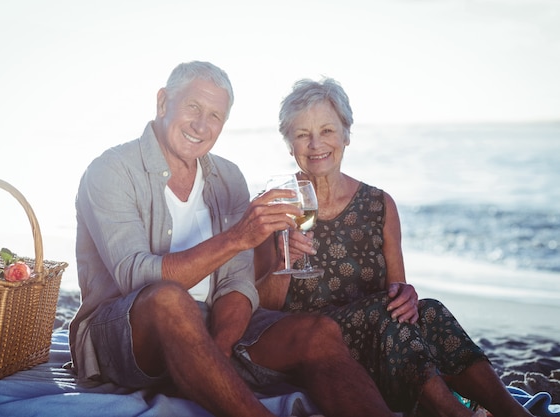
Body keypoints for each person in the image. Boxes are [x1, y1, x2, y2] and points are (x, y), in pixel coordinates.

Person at [69, 61, 397, 417]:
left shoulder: (228, 177)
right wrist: (237, 238)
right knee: (169, 300)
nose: (201, 125)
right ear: (163, 102)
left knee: (319, 331)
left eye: (215, 116)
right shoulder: (111, 170)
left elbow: (237, 282)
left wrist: (220, 348)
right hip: (127, 336)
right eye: (193, 107)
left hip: (213, 326)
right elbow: (135, 276)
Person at [254, 77, 534, 417]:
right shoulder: (274, 206)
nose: (316, 144)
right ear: (288, 143)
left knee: (429, 310)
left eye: (327, 130)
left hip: (380, 341)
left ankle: (514, 412)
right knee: (385, 315)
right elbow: (264, 311)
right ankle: (454, 413)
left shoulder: (379, 204)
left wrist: (408, 296)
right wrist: (286, 259)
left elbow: (397, 292)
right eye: (302, 134)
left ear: (346, 134)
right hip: (317, 348)